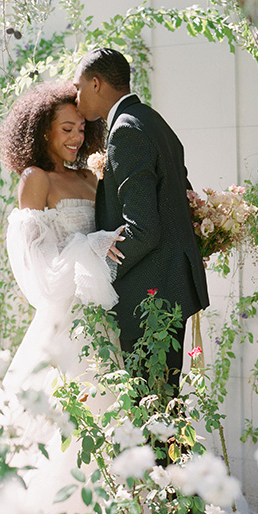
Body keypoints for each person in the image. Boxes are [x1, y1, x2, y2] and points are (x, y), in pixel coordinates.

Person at [0, 81, 124, 514]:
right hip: (65, 318)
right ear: (42, 129)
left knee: (113, 409)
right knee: (61, 413)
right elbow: (37, 269)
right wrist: (92, 246)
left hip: (106, 311)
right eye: (66, 128)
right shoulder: (35, 180)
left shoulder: (89, 176)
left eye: (82, 129)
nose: (75, 138)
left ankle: (120, 512)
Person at [73, 48, 210, 393]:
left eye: (78, 88)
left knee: (150, 410)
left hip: (150, 295)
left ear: (96, 83)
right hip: (168, 286)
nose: (76, 98)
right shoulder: (152, 120)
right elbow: (182, 192)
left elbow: (143, 230)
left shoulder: (126, 130)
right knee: (163, 408)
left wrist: (100, 272)